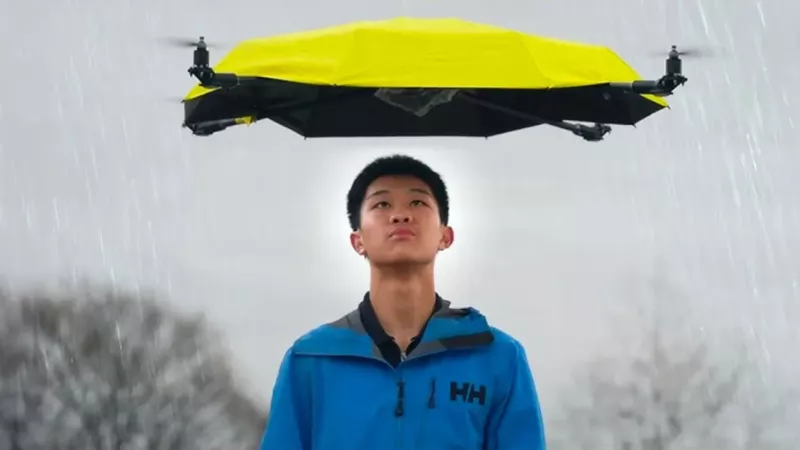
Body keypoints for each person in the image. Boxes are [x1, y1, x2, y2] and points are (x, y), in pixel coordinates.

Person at [260, 155, 546, 449]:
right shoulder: (310, 359)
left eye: (417, 203)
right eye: (382, 204)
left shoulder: (497, 357)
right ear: (357, 240)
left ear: (445, 236)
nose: (400, 215)